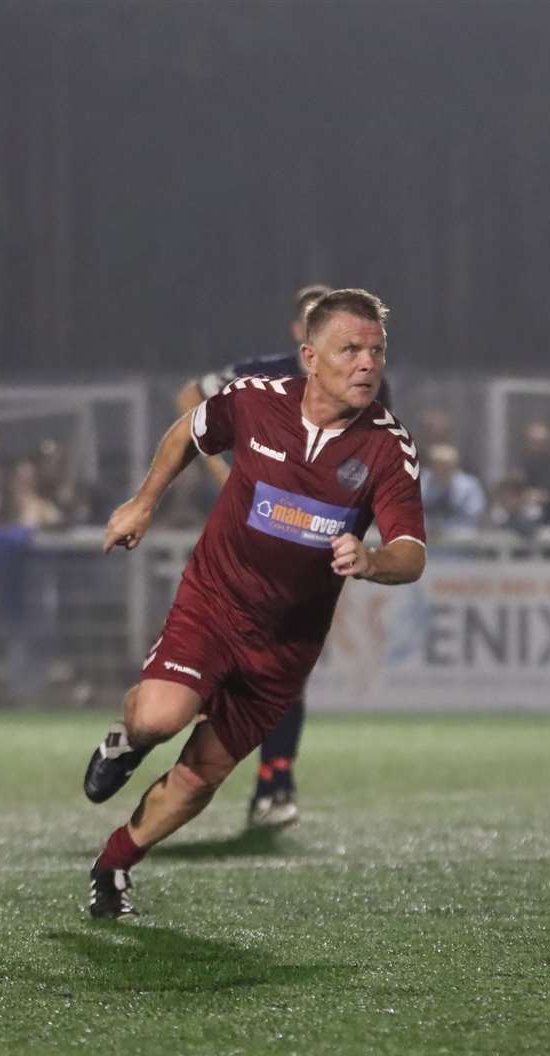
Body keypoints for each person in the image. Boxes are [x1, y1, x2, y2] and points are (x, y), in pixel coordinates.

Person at [82, 288, 426, 918]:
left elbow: (411, 549)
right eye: (350, 349)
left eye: (376, 350)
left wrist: (373, 560)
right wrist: (144, 501)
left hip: (286, 644)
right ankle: (124, 742)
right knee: (158, 719)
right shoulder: (254, 400)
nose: (367, 363)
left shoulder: (387, 445)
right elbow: (190, 427)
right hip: (215, 603)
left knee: (198, 778)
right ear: (309, 356)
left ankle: (114, 863)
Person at [173, 283, 396, 830]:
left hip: (307, 545)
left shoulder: (367, 384)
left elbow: (373, 457)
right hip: (243, 540)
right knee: (225, 662)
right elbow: (189, 398)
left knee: (284, 668)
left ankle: (274, 783)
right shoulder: (266, 375)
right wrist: (223, 473)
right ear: (303, 336)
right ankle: (163, 752)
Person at [421, 444, 488, 535]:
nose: (441, 469)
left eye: (446, 466)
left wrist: (445, 529)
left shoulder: (469, 486)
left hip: (459, 536)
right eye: (437, 465)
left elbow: (474, 513)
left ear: (454, 466)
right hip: (427, 536)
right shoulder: (420, 484)